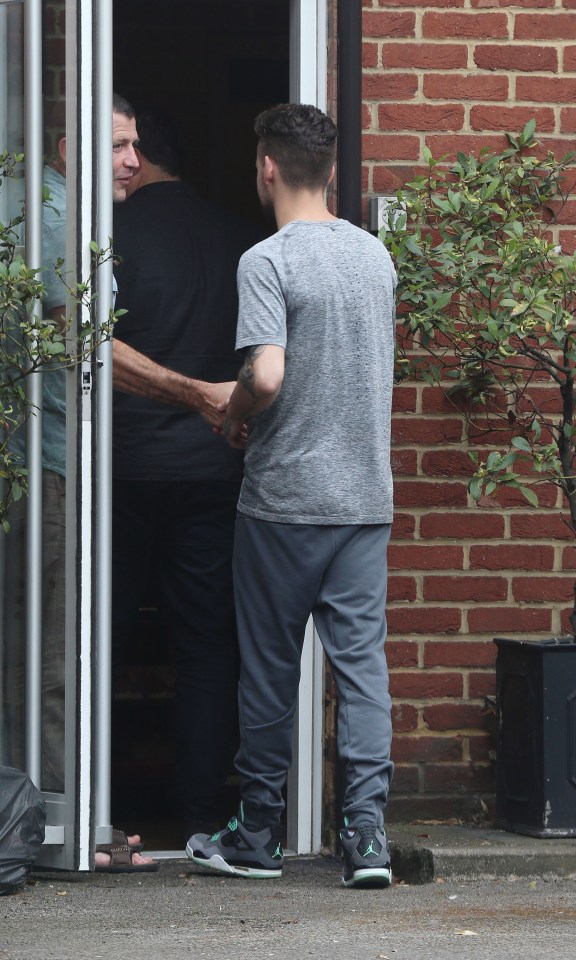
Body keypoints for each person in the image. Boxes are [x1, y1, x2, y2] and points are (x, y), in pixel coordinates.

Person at [186, 103, 397, 888]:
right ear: (331, 171)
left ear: (267, 168)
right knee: (363, 671)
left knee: (271, 672)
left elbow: (266, 375)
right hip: (364, 502)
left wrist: (232, 413)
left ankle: (260, 837)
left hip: (284, 503)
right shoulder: (376, 259)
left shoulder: (267, 260)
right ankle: (368, 838)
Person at [3, 93, 158, 871]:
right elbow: (82, 345)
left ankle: (44, 819)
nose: (134, 161)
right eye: (120, 146)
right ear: (70, 145)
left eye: (135, 146)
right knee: (57, 653)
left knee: (35, 649)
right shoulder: (57, 218)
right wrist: (194, 393)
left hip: (41, 458)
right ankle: (67, 828)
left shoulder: (39, 206)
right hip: (49, 460)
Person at [111, 107, 263, 840]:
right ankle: (202, 812)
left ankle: (96, 812)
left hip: (125, 468)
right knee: (206, 647)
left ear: (143, 158)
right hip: (214, 465)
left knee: (97, 639)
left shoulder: (109, 236)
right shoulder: (240, 236)